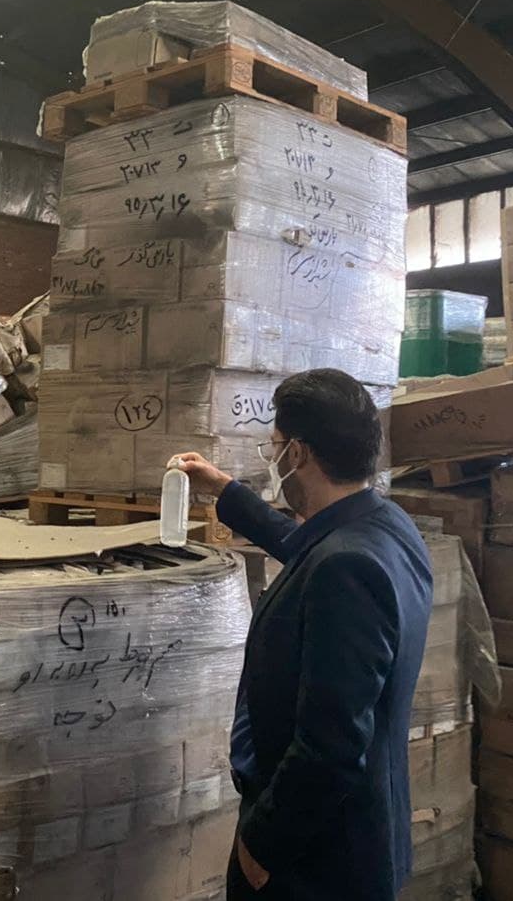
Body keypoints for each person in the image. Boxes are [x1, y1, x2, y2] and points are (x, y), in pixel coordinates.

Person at [174, 368, 433, 901]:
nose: (274, 459)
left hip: (315, 863)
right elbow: (306, 545)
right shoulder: (385, 525)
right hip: (353, 840)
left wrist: (263, 845)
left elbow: (330, 745)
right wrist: (227, 491)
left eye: (274, 447)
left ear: (297, 454)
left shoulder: (345, 570)